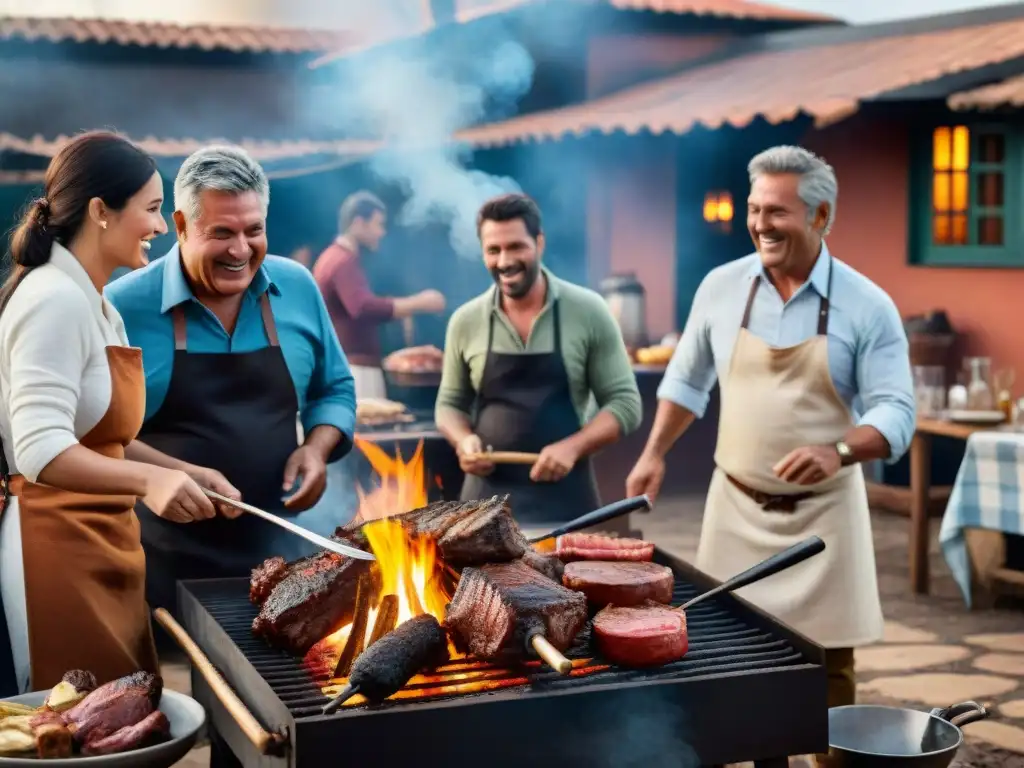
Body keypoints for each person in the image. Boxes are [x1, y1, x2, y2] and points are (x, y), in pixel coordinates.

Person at [625, 146, 915, 762]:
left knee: (830, 668)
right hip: (735, 508)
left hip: (824, 519)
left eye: (776, 212)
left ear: (820, 217)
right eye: (755, 209)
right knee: (736, 663)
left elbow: (896, 413)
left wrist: (839, 449)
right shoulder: (722, 288)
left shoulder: (868, 305)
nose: (760, 224)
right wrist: (654, 454)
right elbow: (685, 382)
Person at [0, 131, 238, 695]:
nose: (161, 227)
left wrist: (183, 471)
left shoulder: (98, 301)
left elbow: (101, 439)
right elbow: (39, 449)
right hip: (54, 550)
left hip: (108, 543)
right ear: (101, 211)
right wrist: (150, 481)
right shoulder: (52, 298)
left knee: (124, 724)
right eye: (153, 209)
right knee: (74, 734)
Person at [105, 145, 357, 621]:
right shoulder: (121, 305)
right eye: (221, 233)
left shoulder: (297, 285)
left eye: (254, 230)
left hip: (284, 563)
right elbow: (93, 432)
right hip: (159, 566)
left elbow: (336, 389)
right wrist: (165, 473)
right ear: (179, 226)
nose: (241, 250)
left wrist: (318, 449)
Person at [435, 193, 642, 525]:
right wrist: (464, 440)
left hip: (567, 506)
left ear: (539, 243)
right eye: (493, 250)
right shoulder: (465, 320)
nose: (504, 261)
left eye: (516, 247)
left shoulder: (588, 311)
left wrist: (573, 447)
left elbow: (625, 404)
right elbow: (448, 404)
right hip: (482, 513)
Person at [312, 190, 446, 399]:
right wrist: (419, 303)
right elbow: (362, 307)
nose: (381, 232)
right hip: (354, 371)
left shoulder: (336, 258)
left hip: (347, 369)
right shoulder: (342, 260)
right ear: (358, 223)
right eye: (378, 224)